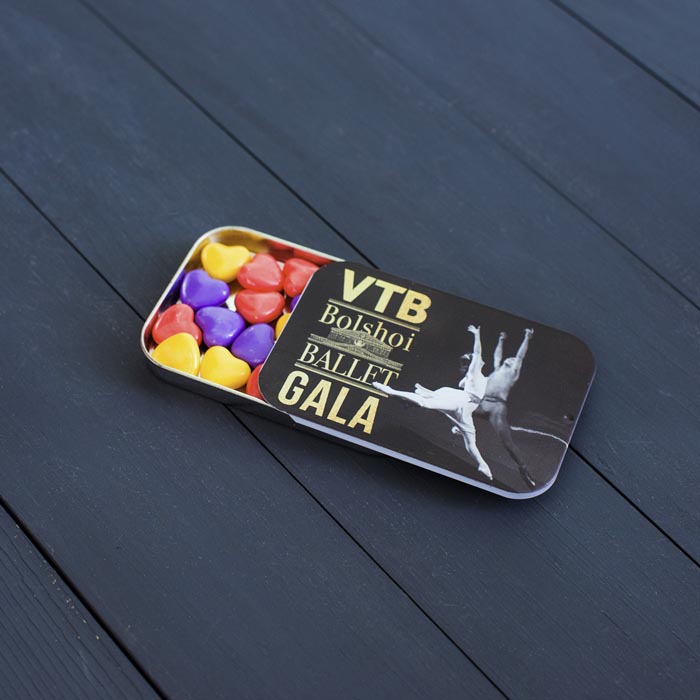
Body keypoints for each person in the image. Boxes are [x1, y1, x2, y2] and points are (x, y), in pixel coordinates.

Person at [373, 325, 493, 480]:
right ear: (474, 362)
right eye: (476, 359)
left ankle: (483, 466)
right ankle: (391, 391)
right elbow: (478, 353)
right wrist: (476, 334)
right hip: (460, 401)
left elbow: (467, 383)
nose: (480, 359)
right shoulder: (474, 371)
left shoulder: (482, 377)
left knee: (471, 439)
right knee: (425, 403)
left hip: (465, 409)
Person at [476, 328, 536, 487]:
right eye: (509, 358)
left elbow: (520, 356)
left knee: (507, 443)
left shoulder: (513, 373)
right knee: (458, 403)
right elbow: (497, 355)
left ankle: (524, 469)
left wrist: (527, 337)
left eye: (513, 359)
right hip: (482, 403)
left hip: (497, 408)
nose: (510, 359)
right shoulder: (497, 369)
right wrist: (501, 340)